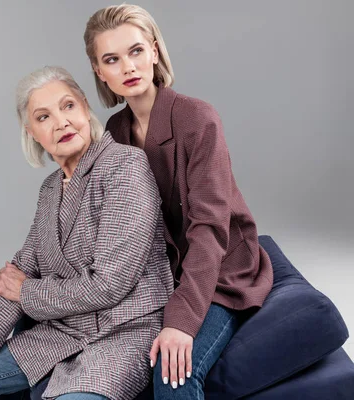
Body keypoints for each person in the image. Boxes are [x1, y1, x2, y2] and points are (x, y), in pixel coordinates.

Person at [0, 66, 175, 400]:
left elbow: (108, 285)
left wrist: (26, 291)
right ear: (31, 132)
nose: (61, 122)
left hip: (125, 332)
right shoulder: (49, 191)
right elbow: (18, 272)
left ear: (85, 108)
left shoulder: (125, 166)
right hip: (61, 331)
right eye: (44, 117)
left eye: (68, 106)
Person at [80, 4, 274, 399]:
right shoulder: (115, 132)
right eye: (112, 59)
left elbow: (209, 228)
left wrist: (182, 322)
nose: (128, 67)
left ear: (154, 51)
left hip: (219, 273)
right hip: (160, 276)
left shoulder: (198, 119)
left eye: (136, 51)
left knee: (173, 376)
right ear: (100, 72)